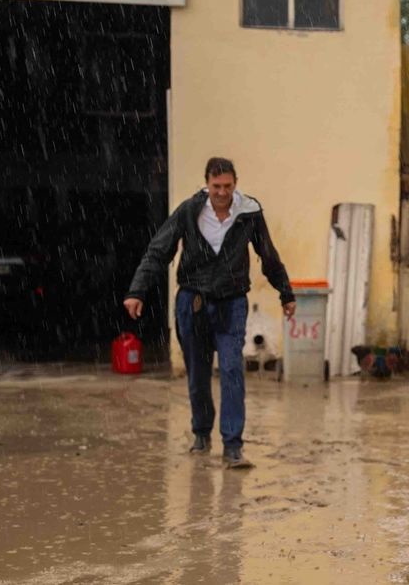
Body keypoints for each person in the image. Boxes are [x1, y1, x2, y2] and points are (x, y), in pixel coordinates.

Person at [123, 157, 295, 469]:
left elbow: (268, 255)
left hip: (232, 302)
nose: (222, 192)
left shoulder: (249, 213)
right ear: (207, 184)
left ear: (235, 184)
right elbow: (159, 251)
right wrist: (137, 290)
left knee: (231, 369)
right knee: (198, 372)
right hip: (193, 302)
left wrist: (286, 293)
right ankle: (201, 433)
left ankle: (233, 446)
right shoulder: (189, 211)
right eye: (216, 186)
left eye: (228, 186)